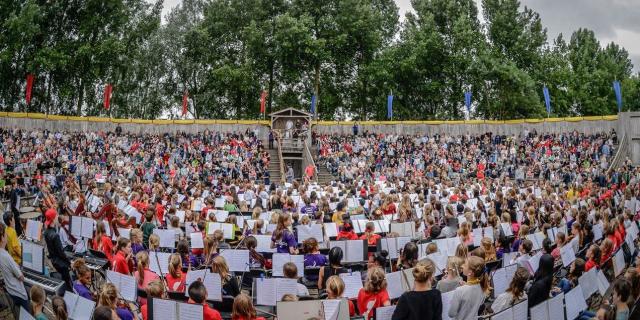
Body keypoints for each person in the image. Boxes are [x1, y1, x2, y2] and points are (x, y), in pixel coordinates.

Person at [0, 222, 29, 317]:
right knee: (27, 314)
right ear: (2, 237)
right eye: (5, 234)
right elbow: (21, 277)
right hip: (18, 291)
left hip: (10, 289)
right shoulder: (6, 256)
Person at [448, 256, 489, 320]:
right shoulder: (482, 287)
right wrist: (466, 285)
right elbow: (479, 302)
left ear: (470, 272)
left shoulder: (460, 290)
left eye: (465, 264)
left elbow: (451, 314)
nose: (462, 266)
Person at [43, 207, 72, 292]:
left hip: (54, 260)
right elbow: (61, 253)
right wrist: (69, 262)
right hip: (61, 263)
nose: (57, 217)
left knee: (63, 280)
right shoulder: (55, 235)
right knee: (67, 282)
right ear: (53, 219)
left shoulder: (46, 232)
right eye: (56, 216)